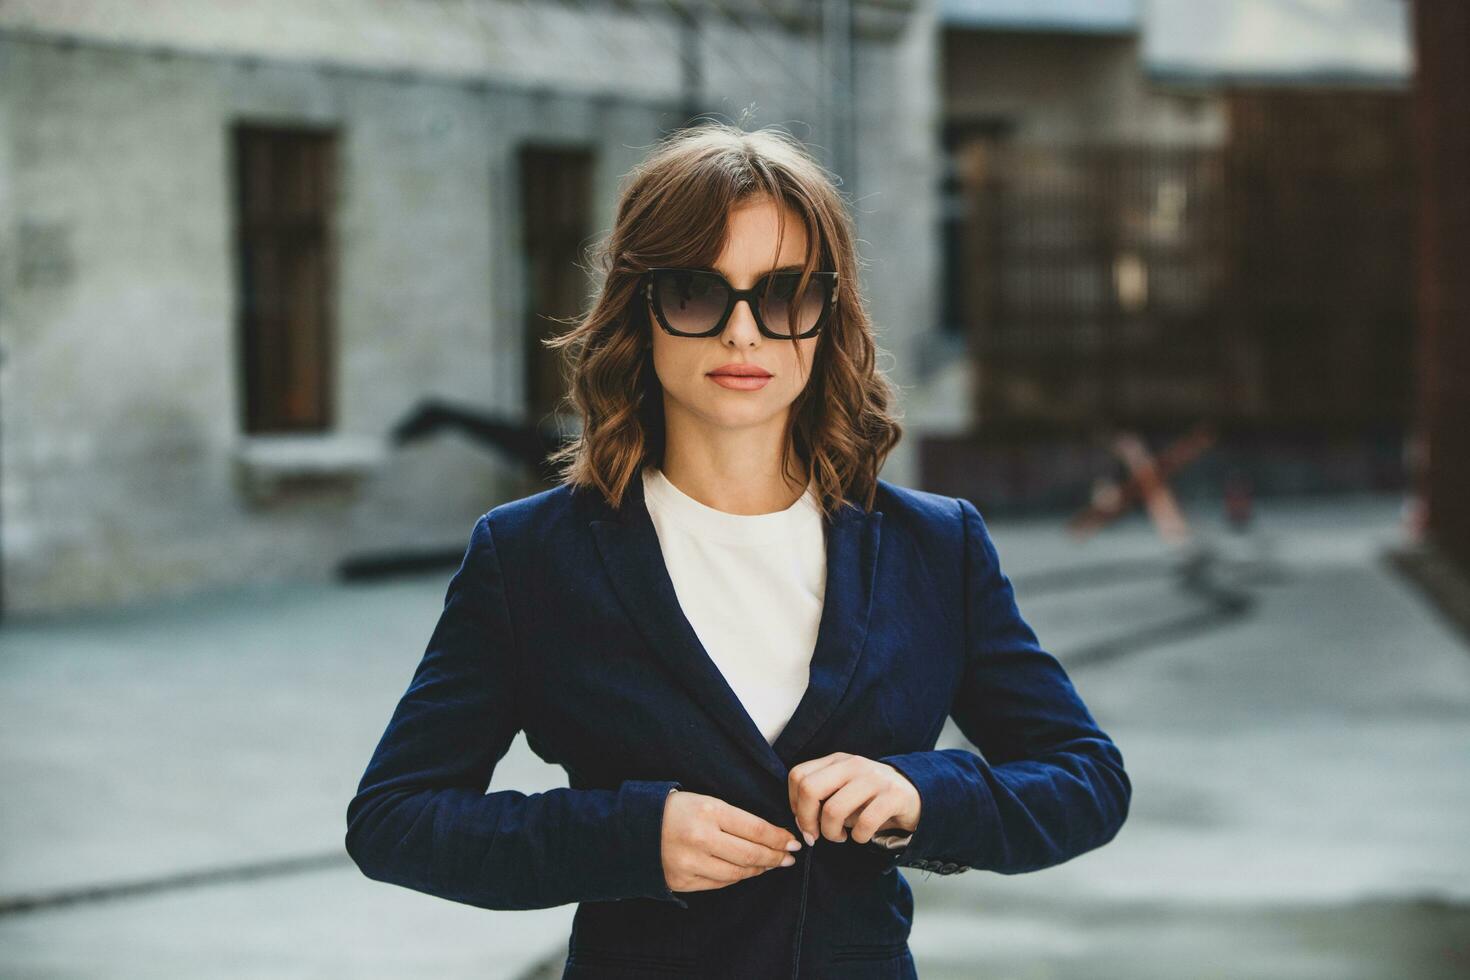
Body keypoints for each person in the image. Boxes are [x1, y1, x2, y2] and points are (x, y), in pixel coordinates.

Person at [345, 122, 1131, 979]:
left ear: (830, 316)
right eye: (696, 292)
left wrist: (920, 794)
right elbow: (397, 818)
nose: (744, 333)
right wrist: (628, 838)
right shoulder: (531, 555)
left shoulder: (935, 547)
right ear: (638, 311)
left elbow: (1086, 781)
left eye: (786, 294)